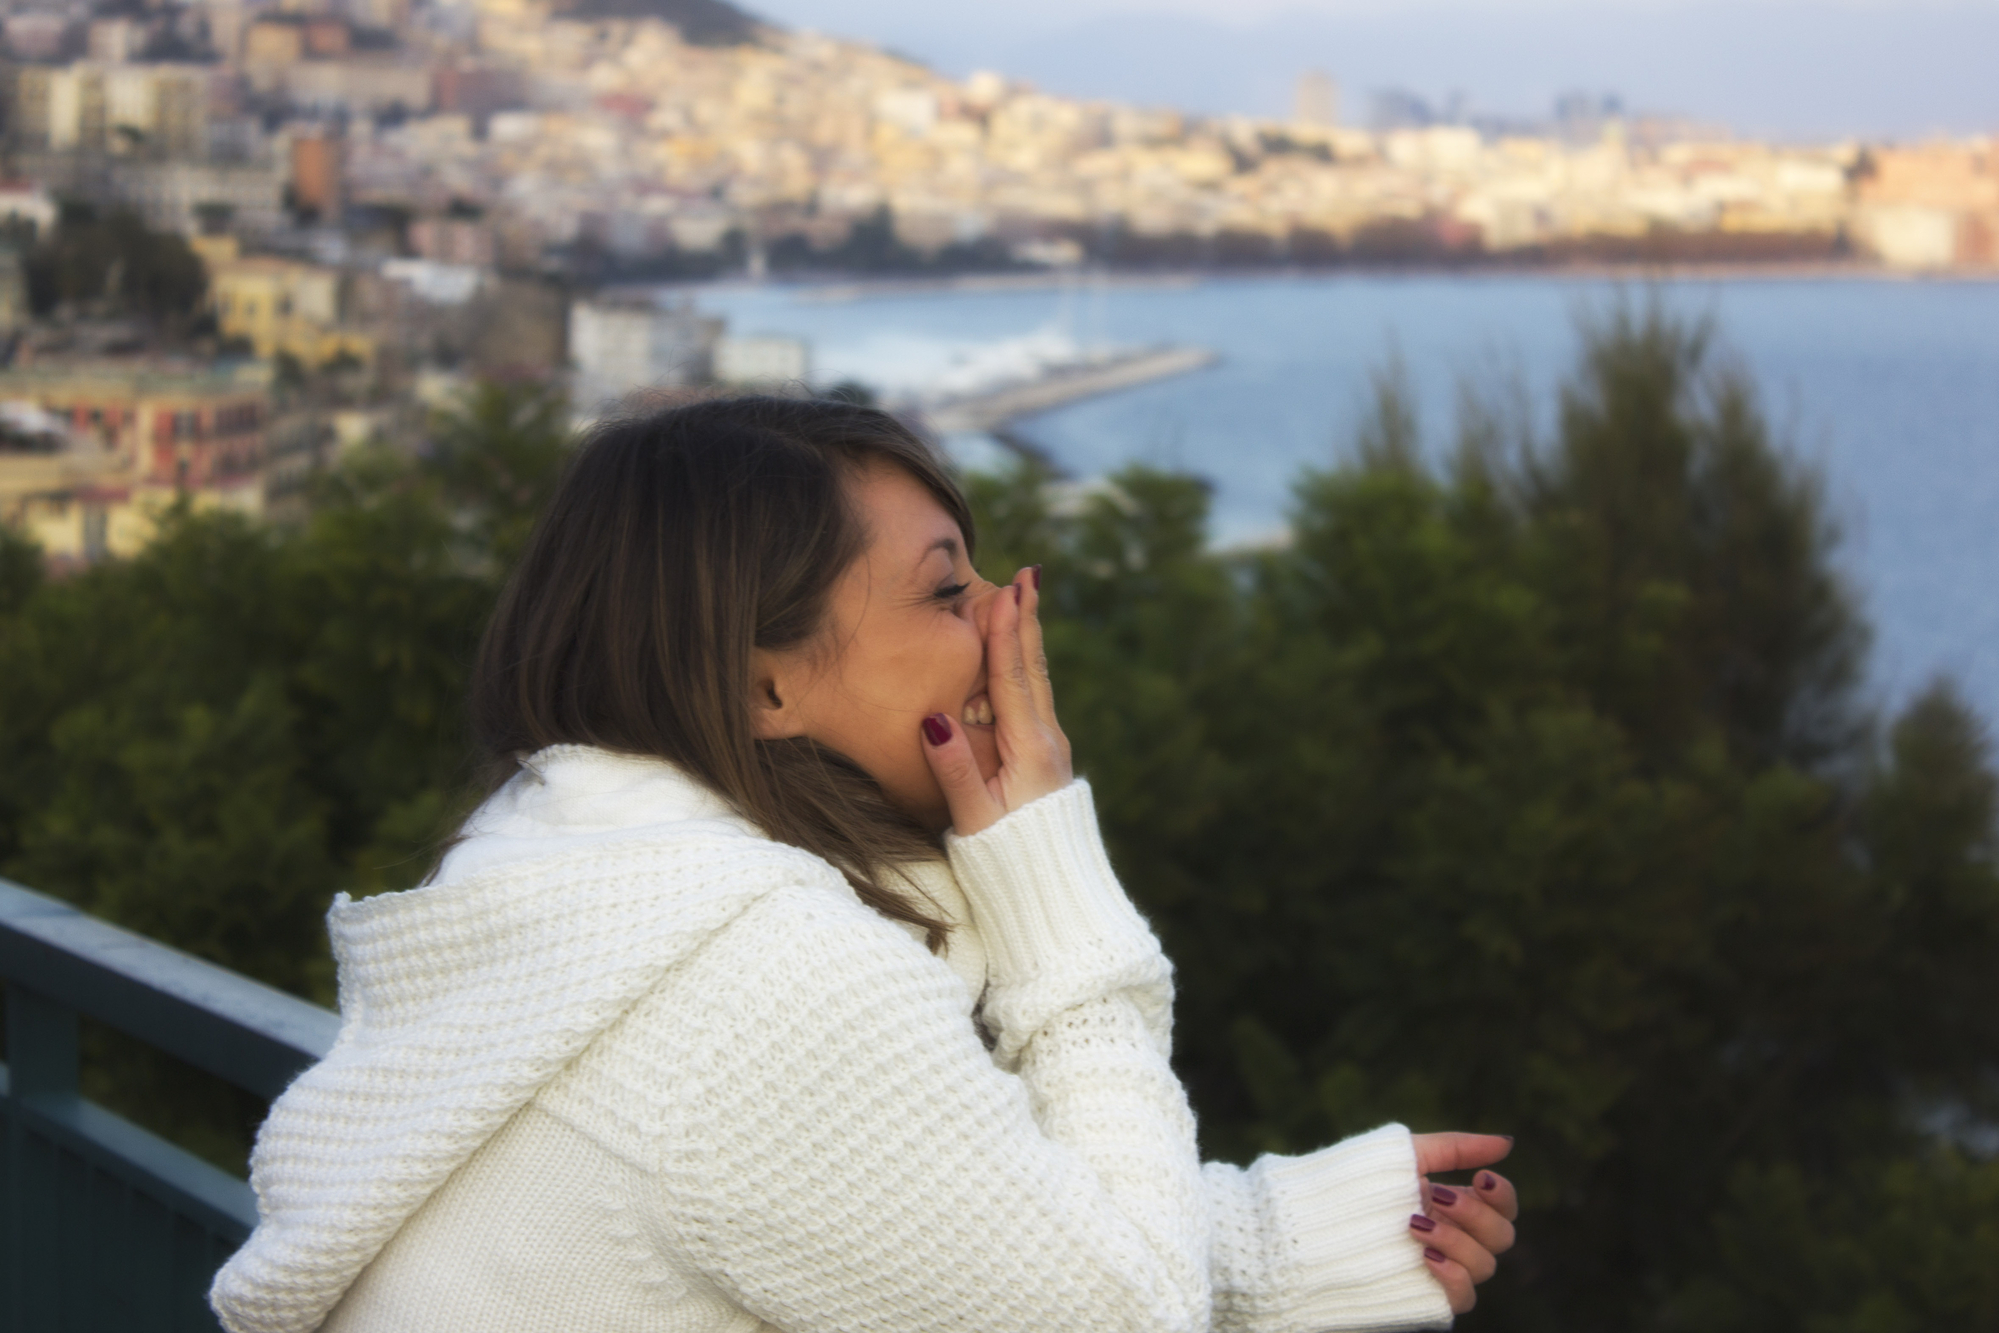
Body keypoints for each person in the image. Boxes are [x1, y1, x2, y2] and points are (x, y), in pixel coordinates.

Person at [211, 396, 1517, 1333]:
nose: (1006, 619)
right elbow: (1129, 1316)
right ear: (762, 678)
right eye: (947, 590)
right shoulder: (759, 976)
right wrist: (1047, 876)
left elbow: (910, 1235)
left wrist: (1304, 1242)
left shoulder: (560, 884)